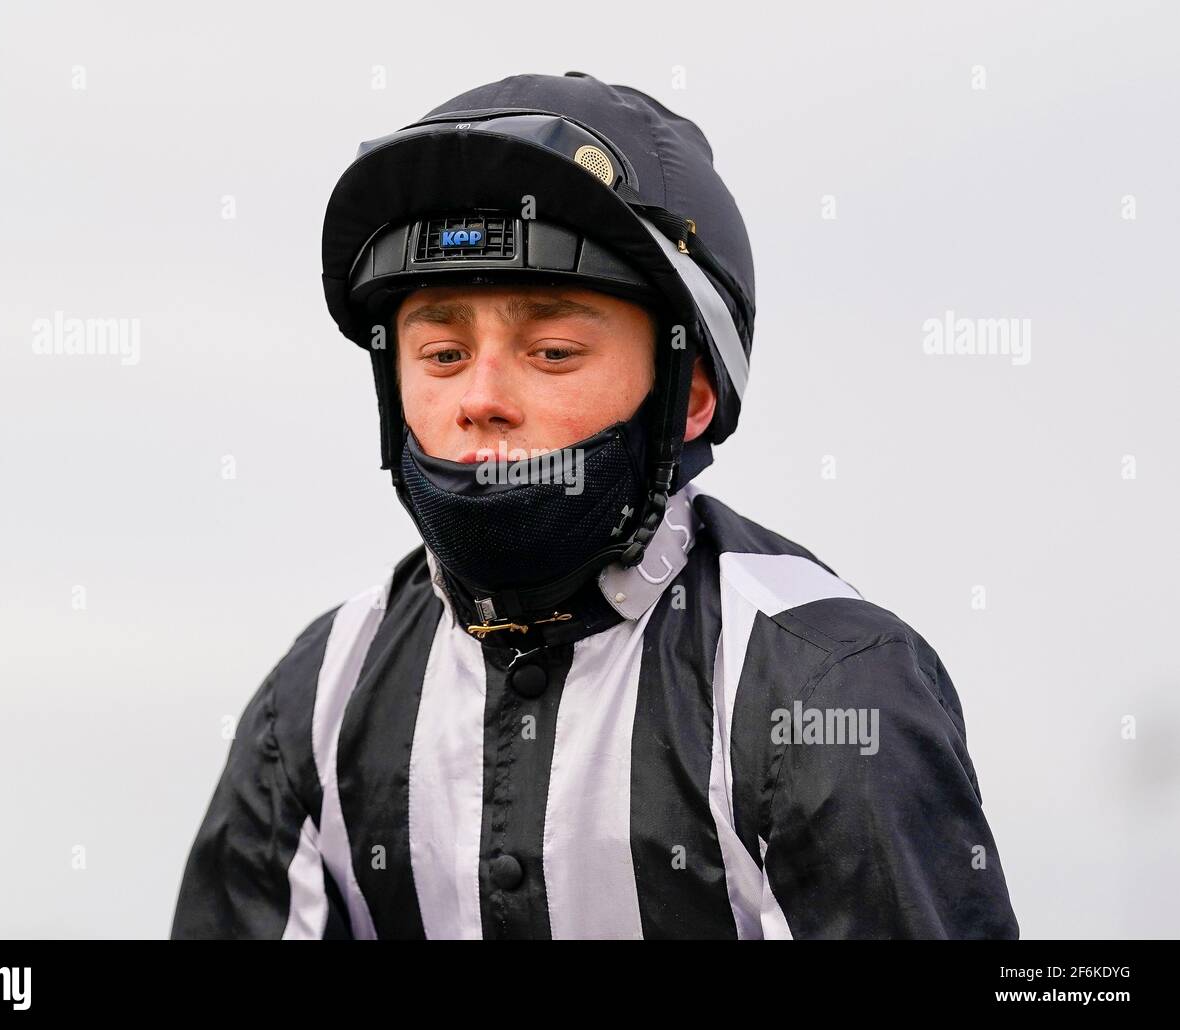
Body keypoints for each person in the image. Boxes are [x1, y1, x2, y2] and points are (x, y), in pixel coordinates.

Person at [170, 71, 1020, 939]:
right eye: (441, 353)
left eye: (552, 350)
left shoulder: (827, 691)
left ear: (687, 394)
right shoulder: (315, 698)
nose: (482, 398)